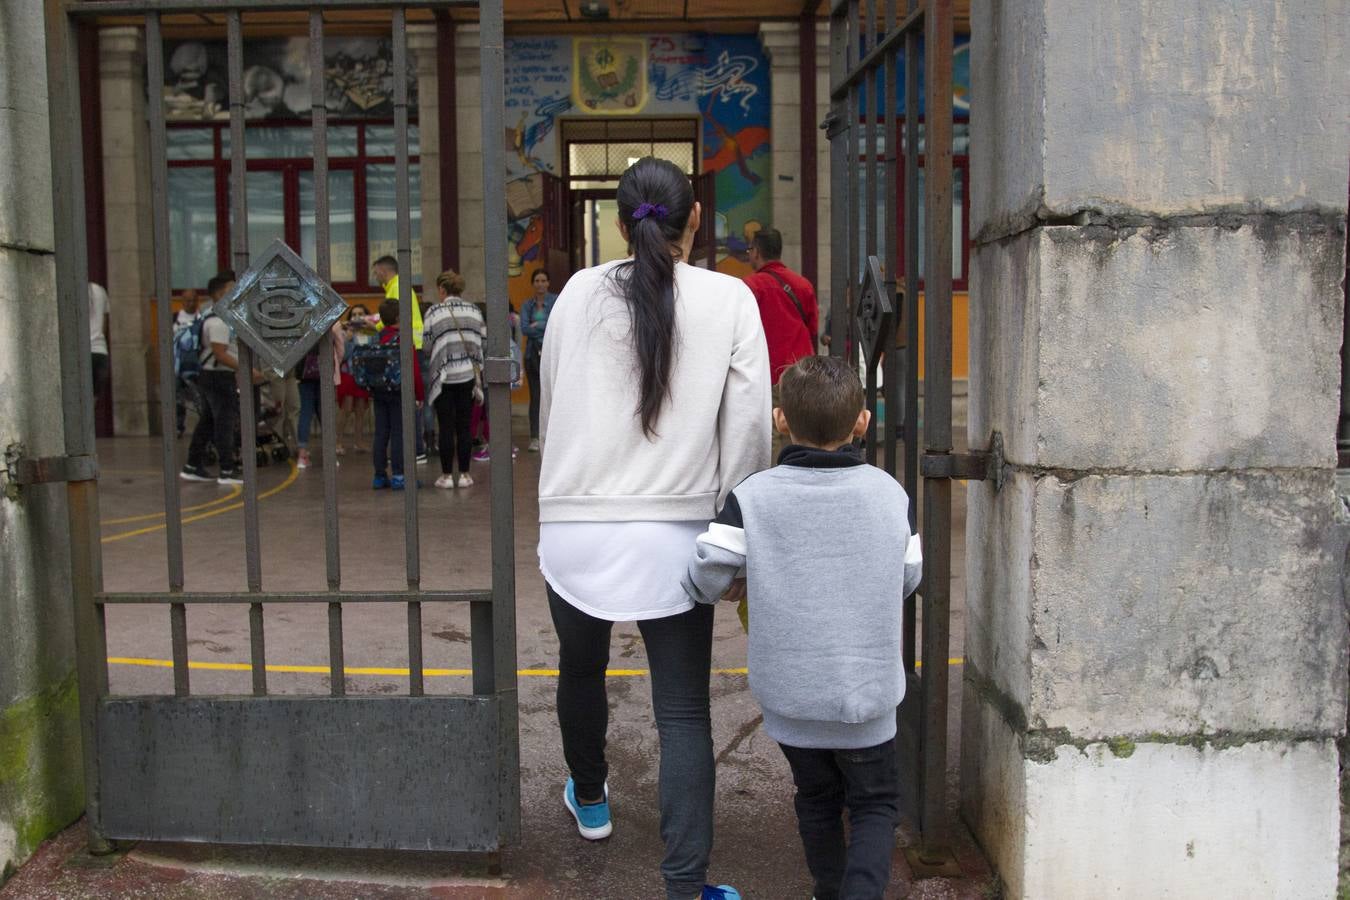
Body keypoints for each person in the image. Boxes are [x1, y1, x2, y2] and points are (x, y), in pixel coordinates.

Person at [538, 157, 769, 900]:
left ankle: (592, 796)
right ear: (695, 219)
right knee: (682, 711)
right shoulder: (730, 298)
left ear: (615, 219)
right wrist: (734, 529)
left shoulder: (574, 293)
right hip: (677, 534)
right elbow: (747, 435)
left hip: (574, 523)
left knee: (581, 669)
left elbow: (550, 401)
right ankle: (685, 884)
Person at [681, 355, 923, 900]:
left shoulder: (754, 496)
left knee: (814, 798)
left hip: (792, 697)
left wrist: (716, 587)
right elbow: (909, 575)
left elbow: (709, 567)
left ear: (780, 420)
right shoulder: (890, 494)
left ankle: (828, 888)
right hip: (867, 695)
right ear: (862, 421)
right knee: (874, 803)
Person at [181, 272, 262, 485]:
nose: (236, 293)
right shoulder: (218, 321)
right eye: (231, 289)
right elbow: (220, 353)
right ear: (218, 294)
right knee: (224, 423)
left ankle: (192, 465)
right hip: (218, 377)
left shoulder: (213, 316)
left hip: (210, 376)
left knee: (207, 422)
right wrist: (247, 370)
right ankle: (227, 470)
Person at [744, 228, 820, 454]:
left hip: (768, 370)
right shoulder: (803, 285)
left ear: (756, 252)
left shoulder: (750, 287)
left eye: (750, 250)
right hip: (802, 370)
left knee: (772, 431)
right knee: (802, 428)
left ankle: (775, 478)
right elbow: (813, 327)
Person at [423, 269, 485, 489]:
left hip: (444, 376)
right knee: (465, 427)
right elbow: (482, 341)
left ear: (442, 289)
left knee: (446, 427)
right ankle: (466, 474)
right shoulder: (474, 311)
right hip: (468, 375)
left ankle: (447, 475)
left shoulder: (434, 312)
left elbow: (427, 345)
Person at [371, 255, 427, 463]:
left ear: (384, 271)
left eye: (376, 272)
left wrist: (372, 325)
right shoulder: (397, 287)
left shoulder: (396, 288)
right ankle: (412, 452)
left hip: (404, 346)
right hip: (408, 345)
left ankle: (415, 450)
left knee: (402, 409)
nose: (375, 276)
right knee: (405, 406)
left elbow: (392, 316)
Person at [368, 298, 423, 491]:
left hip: (379, 390)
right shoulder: (404, 338)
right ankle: (400, 475)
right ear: (400, 316)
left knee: (381, 432)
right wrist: (419, 394)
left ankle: (379, 475)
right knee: (400, 433)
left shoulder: (377, 337)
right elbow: (414, 369)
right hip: (400, 391)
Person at [294, 324, 345, 469]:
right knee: (326, 413)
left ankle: (302, 455)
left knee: (305, 412)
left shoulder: (301, 319)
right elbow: (340, 347)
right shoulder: (332, 321)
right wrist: (336, 364)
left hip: (304, 373)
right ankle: (330, 456)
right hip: (325, 371)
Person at [520, 268, 556, 452]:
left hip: (550, 352)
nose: (540, 284)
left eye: (544, 280)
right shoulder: (527, 305)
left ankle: (552, 435)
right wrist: (545, 325)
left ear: (548, 283)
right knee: (535, 396)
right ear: (533, 283)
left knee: (553, 394)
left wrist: (538, 325)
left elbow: (555, 324)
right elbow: (525, 328)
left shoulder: (555, 301)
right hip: (532, 354)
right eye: (537, 280)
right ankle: (535, 436)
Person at [337, 304, 374, 453]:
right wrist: (349, 339)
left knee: (360, 409)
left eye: (361, 314)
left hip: (364, 375)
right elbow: (343, 356)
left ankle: (358, 441)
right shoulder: (346, 333)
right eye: (354, 315)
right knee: (345, 409)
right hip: (349, 374)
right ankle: (337, 441)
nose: (357, 317)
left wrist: (373, 328)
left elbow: (375, 350)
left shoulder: (370, 332)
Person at [172, 288, 202, 437]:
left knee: (199, 397)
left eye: (193, 300)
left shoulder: (201, 318)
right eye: (187, 300)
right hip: (177, 366)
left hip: (195, 366)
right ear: (182, 301)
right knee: (178, 399)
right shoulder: (174, 318)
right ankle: (178, 426)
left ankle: (203, 425)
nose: (191, 303)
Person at [89, 282, 110, 418]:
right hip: (100, 349)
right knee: (94, 394)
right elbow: (106, 319)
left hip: (85, 350)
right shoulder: (100, 290)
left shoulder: (73, 290)